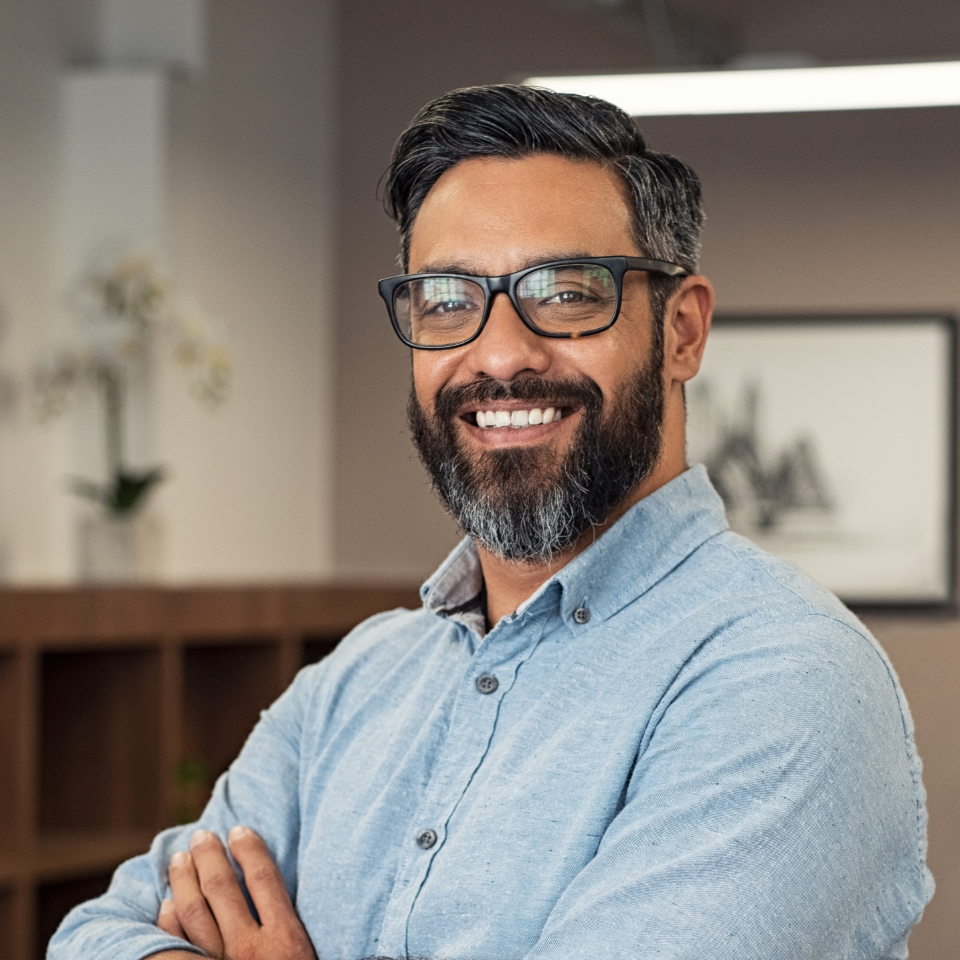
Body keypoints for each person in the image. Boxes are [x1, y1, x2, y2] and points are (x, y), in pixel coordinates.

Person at [50, 84, 933, 960]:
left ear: (682, 332)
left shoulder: (784, 679)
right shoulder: (357, 683)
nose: (501, 353)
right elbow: (92, 937)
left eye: (567, 291)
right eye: (445, 298)